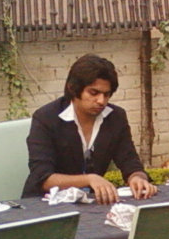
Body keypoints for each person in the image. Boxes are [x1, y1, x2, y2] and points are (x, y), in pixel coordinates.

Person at [22, 54, 157, 204]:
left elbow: (129, 161)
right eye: (94, 93)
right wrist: (89, 179)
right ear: (73, 88)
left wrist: (137, 178)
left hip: (91, 203)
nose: (101, 101)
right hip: (45, 204)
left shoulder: (115, 117)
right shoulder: (46, 118)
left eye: (106, 94)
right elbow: (43, 178)